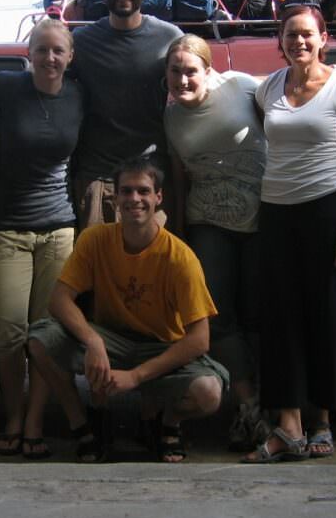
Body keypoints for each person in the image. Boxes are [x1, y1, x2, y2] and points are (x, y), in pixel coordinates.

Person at [27, 157, 228, 463]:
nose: (135, 199)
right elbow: (59, 300)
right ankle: (84, 426)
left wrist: (135, 377)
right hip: (112, 340)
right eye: (127, 191)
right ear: (116, 197)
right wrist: (93, 341)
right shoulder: (95, 239)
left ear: (158, 197)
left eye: (143, 191)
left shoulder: (180, 258)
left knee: (209, 392)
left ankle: (168, 422)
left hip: (160, 344)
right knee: (40, 341)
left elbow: (200, 340)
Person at [243, 4, 336, 463]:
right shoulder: (269, 88)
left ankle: (322, 422)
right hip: (276, 213)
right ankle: (289, 426)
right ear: (280, 41)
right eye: (290, 34)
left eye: (306, 34)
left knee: (324, 318)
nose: (299, 41)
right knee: (281, 320)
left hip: (325, 210)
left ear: (322, 39)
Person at [163, 34, 269, 452]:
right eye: (175, 71)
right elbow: (178, 178)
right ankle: (247, 405)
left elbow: (287, 115)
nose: (182, 80)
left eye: (191, 71)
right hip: (208, 222)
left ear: (209, 71)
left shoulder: (241, 87)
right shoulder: (171, 117)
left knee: (259, 313)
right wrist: (180, 232)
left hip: (260, 219)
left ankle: (275, 405)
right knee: (218, 317)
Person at [0, 18, 83, 459]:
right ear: (29, 53)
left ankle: (34, 420)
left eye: (58, 50)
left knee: (47, 335)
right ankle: (13, 412)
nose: (49, 58)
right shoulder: (6, 87)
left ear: (70, 57)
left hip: (59, 228)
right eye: (41, 49)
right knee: (7, 332)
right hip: (7, 228)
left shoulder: (79, 95)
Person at [70, 0, 182, 229]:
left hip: (151, 181)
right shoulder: (81, 42)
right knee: (99, 258)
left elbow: (201, 90)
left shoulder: (169, 38)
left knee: (153, 259)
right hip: (98, 181)